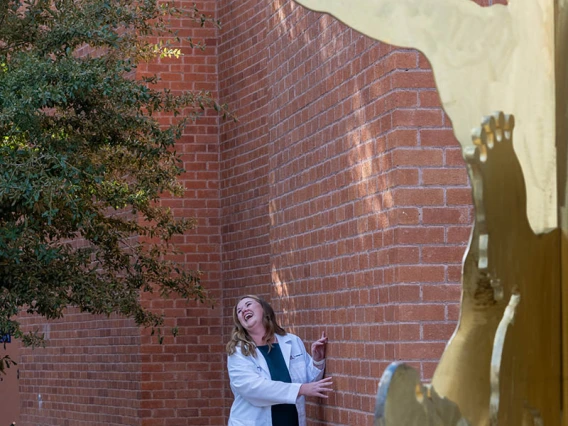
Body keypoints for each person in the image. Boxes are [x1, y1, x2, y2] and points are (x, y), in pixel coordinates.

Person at [226, 295, 333, 426]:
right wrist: (300, 389)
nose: (243, 310)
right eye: (239, 311)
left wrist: (317, 360)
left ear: (264, 309)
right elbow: (254, 389)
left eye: (248, 304)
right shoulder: (238, 352)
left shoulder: (292, 341)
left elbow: (311, 384)